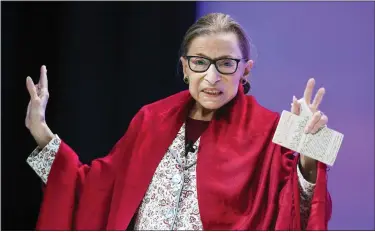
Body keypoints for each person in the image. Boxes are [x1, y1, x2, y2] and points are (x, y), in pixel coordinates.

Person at [25, 13, 332, 230]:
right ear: (185, 67)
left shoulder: (270, 129)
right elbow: (93, 191)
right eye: (200, 62)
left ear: (245, 71)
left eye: (226, 63)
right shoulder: (150, 120)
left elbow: (296, 210)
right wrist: (42, 132)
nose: (212, 77)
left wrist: (309, 153)